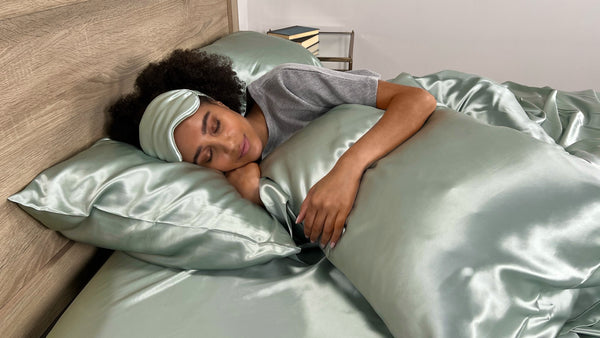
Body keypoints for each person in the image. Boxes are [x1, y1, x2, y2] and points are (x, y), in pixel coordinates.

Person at [107, 49, 436, 250]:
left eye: (216, 125)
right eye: (208, 155)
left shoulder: (287, 87)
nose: (230, 146)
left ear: (220, 102)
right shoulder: (237, 180)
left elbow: (417, 99)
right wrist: (253, 193)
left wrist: (346, 171)